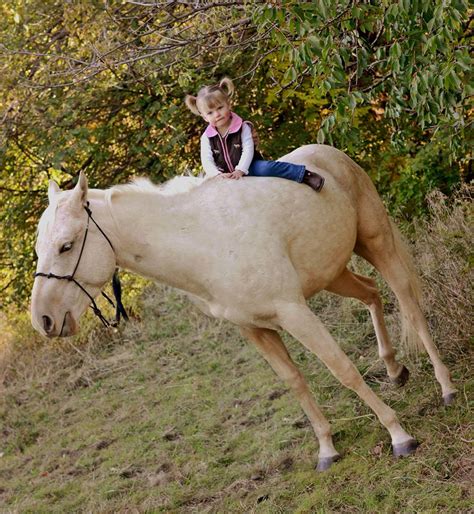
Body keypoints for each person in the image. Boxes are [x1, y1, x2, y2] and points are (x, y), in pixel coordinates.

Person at [184, 78, 325, 192]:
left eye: (220, 108)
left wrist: (241, 169)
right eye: (210, 113)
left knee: (267, 167)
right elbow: (207, 159)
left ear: (229, 104)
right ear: (204, 117)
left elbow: (248, 149)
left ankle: (303, 175)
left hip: (249, 166)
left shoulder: (242, 127)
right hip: (222, 172)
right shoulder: (207, 137)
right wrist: (216, 175)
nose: (217, 114)